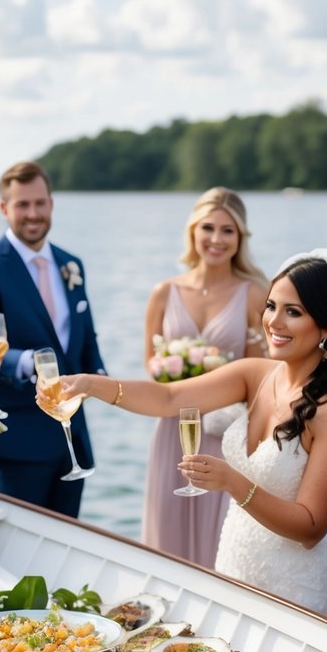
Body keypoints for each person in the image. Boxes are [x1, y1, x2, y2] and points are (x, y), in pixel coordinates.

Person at [49, 250, 327, 622]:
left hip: (302, 587)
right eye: (271, 305)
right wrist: (91, 385)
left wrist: (232, 482)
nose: (274, 321)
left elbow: (310, 528)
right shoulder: (255, 374)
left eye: (294, 311)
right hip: (235, 562)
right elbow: (170, 397)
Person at [0, 161, 107, 517]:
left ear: (51, 203)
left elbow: (85, 337)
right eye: (22, 205)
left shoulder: (72, 264)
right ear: (3, 208)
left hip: (74, 440)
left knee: (71, 545)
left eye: (40, 203)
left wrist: (104, 383)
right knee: (25, 559)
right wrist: (30, 364)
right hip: (20, 443)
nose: (33, 214)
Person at [142, 187, 267, 567]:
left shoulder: (253, 294)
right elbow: (149, 362)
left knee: (217, 542)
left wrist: (217, 382)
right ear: (193, 231)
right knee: (167, 533)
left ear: (240, 237)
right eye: (208, 227)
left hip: (222, 433)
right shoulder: (164, 292)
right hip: (171, 432)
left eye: (227, 230)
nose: (216, 239)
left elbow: (261, 377)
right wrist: (169, 367)